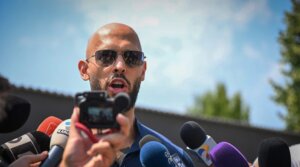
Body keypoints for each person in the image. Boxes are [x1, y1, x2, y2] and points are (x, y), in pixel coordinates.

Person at [60, 23, 195, 167]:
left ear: (143, 71)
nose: (120, 66)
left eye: (132, 57)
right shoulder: (55, 151)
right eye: (106, 56)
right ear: (84, 70)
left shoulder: (174, 158)